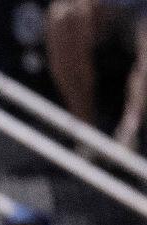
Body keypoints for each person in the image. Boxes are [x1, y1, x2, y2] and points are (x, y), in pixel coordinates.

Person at [47, 0, 147, 151]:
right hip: (110, 9)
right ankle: (87, 137)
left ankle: (128, 140)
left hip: (141, 18)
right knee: (64, 16)